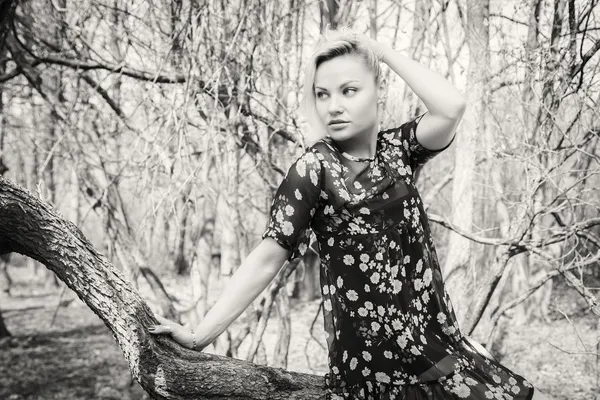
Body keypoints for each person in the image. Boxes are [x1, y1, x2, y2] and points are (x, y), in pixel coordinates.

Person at [149, 28, 548, 400]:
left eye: (349, 90)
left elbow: (452, 106)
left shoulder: (400, 151)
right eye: (322, 94)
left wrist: (381, 53)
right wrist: (200, 336)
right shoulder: (315, 168)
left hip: (433, 346)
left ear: (378, 91)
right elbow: (267, 257)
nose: (333, 106)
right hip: (374, 364)